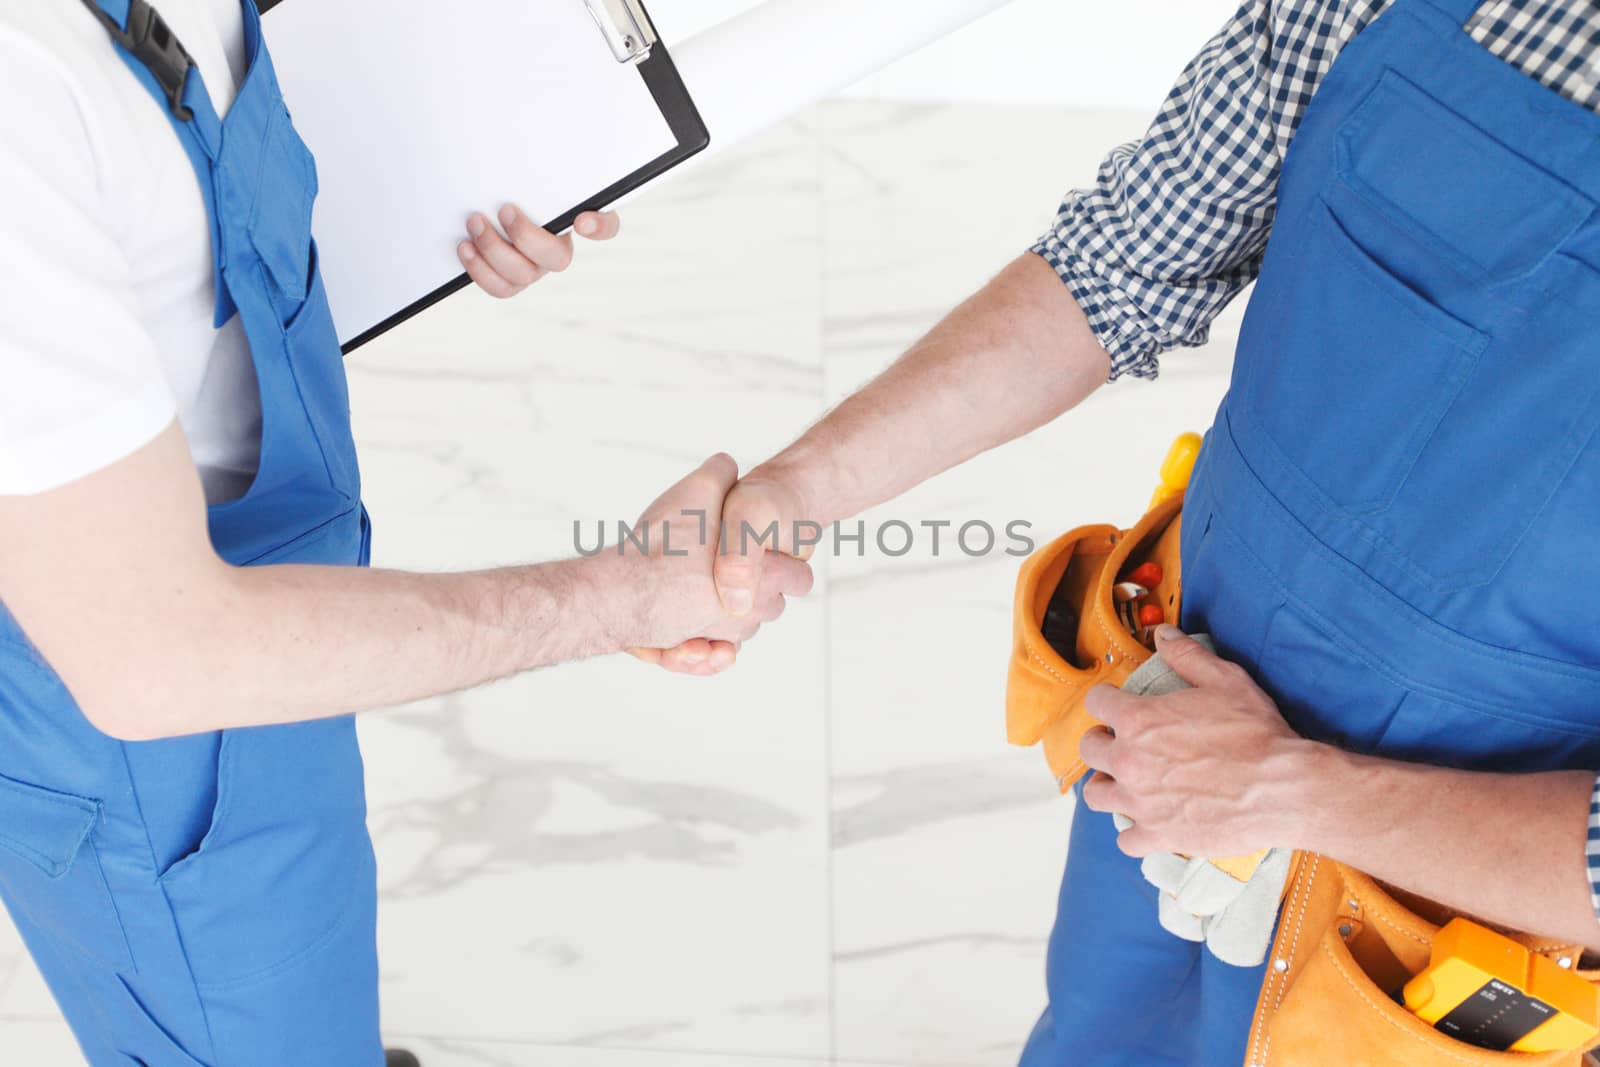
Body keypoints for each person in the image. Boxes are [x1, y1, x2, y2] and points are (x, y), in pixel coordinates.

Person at [641, 0, 1600, 1061]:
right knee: (1104, 1029)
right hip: (1179, 718)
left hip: (1455, 889)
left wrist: (1301, 790)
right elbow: (1119, 262)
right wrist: (792, 493)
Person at [0, 1, 810, 1064]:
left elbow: (178, 189)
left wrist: (453, 161)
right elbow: (160, 658)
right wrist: (621, 593)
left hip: (272, 600)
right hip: (145, 746)